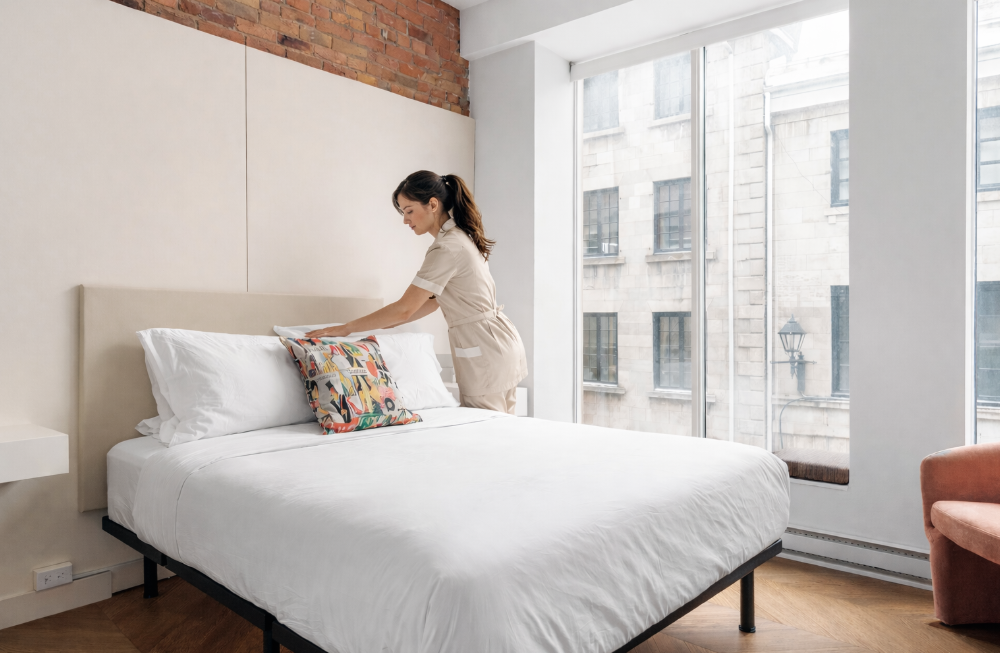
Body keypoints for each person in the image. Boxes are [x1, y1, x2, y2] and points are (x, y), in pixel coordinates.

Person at [306, 171, 527, 414]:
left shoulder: (446, 247)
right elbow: (429, 303)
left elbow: (404, 309)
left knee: (487, 434)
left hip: (484, 348)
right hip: (499, 344)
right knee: (504, 431)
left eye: (409, 210)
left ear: (433, 204)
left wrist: (346, 328)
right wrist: (387, 323)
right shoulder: (459, 238)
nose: (405, 220)